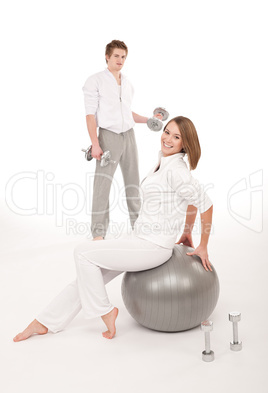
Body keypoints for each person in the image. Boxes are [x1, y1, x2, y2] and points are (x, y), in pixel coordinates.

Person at [13, 116, 213, 342]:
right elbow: (192, 200)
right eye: (166, 131)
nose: (167, 138)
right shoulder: (164, 161)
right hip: (139, 237)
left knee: (82, 253)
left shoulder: (176, 170)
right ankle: (44, 322)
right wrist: (187, 232)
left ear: (185, 143)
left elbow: (205, 203)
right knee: (89, 274)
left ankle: (105, 311)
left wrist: (203, 245)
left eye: (176, 137)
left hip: (153, 246)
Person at [82, 39, 162, 241]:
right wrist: (96, 144)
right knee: (103, 186)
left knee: (133, 184)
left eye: (123, 57)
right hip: (108, 137)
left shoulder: (127, 83)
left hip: (129, 136)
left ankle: (139, 229)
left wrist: (148, 120)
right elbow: (90, 115)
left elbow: (126, 112)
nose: (120, 60)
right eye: (116, 56)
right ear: (107, 57)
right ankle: (98, 234)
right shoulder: (95, 81)